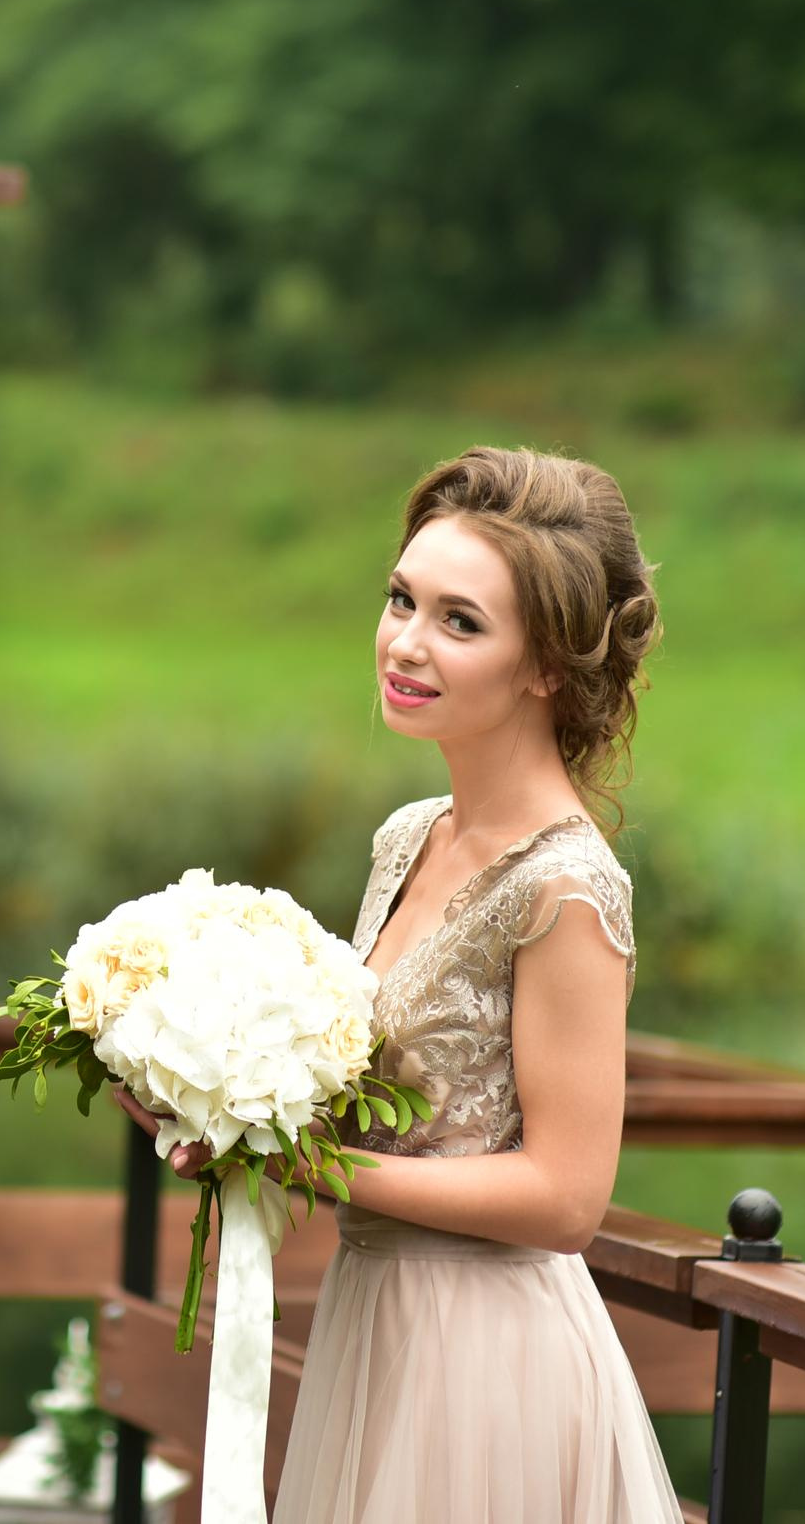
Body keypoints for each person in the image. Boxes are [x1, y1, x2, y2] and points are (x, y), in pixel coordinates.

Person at [118, 445, 681, 1523]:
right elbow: (381, 1097)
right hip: (372, 1321)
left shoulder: (565, 887)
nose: (405, 642)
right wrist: (214, 1097)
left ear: (546, 666)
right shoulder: (407, 837)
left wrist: (311, 1163)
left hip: (487, 1358)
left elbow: (566, 1196)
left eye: (459, 621)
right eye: (400, 598)